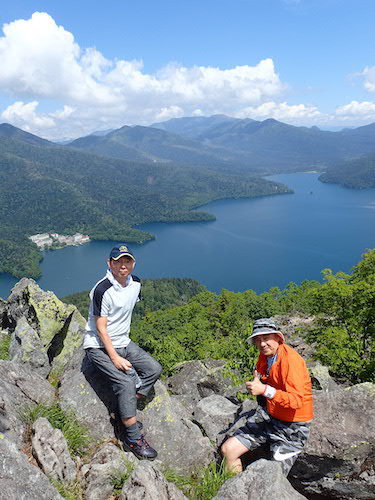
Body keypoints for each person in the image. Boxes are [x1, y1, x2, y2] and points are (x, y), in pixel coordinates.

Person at [83, 244, 162, 459]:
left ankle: (125, 408)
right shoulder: (102, 290)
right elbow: (100, 328)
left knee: (154, 369)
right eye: (117, 261)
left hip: (124, 341)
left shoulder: (135, 283)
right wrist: (115, 357)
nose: (123, 265)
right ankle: (132, 437)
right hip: (98, 345)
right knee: (126, 382)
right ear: (109, 264)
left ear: (133, 263)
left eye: (127, 261)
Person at [221, 318, 313, 475]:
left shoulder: (291, 361)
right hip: (270, 417)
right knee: (228, 450)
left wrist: (264, 390)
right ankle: (234, 490)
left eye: (266, 338)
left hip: (293, 427)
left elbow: (296, 400)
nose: (262, 344)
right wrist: (260, 389)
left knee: (271, 478)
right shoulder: (265, 357)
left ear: (278, 337)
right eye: (258, 340)